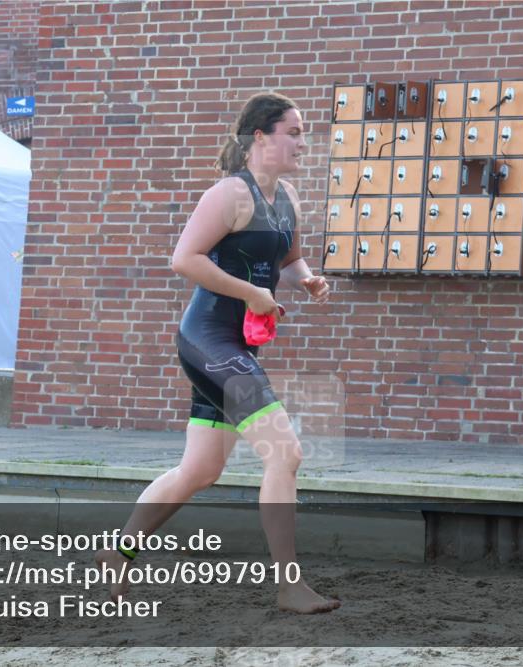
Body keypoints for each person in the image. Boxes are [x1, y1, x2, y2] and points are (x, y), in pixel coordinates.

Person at [96, 92, 339, 613]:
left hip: (233, 346)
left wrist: (307, 280)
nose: (302, 141)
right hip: (207, 340)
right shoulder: (229, 194)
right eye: (293, 131)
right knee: (286, 453)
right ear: (260, 137)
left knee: (200, 470)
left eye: (303, 132)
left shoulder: (288, 198)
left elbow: (289, 259)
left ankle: (118, 553)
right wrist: (252, 293)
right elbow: (184, 259)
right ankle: (289, 585)